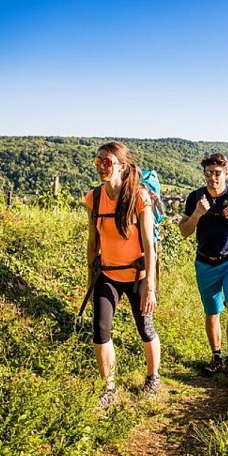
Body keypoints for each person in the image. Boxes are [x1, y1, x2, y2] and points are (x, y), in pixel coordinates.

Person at [86, 141, 161, 408]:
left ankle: (153, 378)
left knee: (146, 327)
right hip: (107, 274)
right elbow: (92, 241)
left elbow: (149, 247)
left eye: (108, 162)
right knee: (100, 330)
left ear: (123, 166)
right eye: (98, 162)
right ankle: (109, 388)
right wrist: (90, 278)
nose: (102, 167)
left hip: (138, 275)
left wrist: (150, 287)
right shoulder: (93, 198)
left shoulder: (139, 198)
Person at [178, 152, 228, 380]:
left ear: (226, 173)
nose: (213, 177)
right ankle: (216, 357)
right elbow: (184, 231)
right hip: (205, 262)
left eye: (217, 173)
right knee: (212, 313)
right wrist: (197, 214)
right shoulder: (195, 197)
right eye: (209, 173)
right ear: (204, 174)